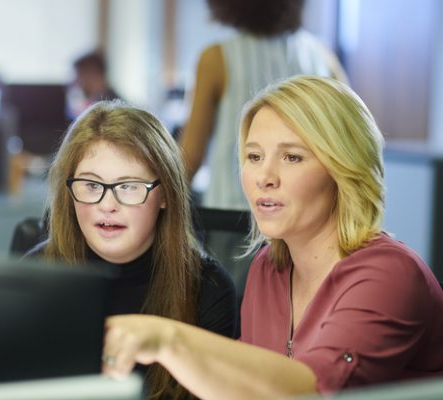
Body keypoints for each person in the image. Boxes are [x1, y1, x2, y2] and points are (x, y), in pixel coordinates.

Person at [102, 75, 443, 399]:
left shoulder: (390, 274)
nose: (264, 176)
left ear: (343, 170)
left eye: (292, 157)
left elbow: (315, 392)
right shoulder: (269, 268)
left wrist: (167, 339)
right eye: (253, 157)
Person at [26, 100, 238, 399]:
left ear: (164, 195)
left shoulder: (208, 289)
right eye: (90, 185)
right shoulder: (35, 274)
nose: (107, 205)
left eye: (128, 186)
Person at [179, 0, 347, 210]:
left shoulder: (216, 59)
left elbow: (192, 154)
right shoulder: (321, 58)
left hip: (233, 214)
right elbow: (346, 143)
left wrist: (161, 203)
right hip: (304, 214)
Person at [65, 49, 121, 120]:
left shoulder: (113, 109)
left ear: (92, 75)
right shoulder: (89, 102)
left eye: (78, 75)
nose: (75, 81)